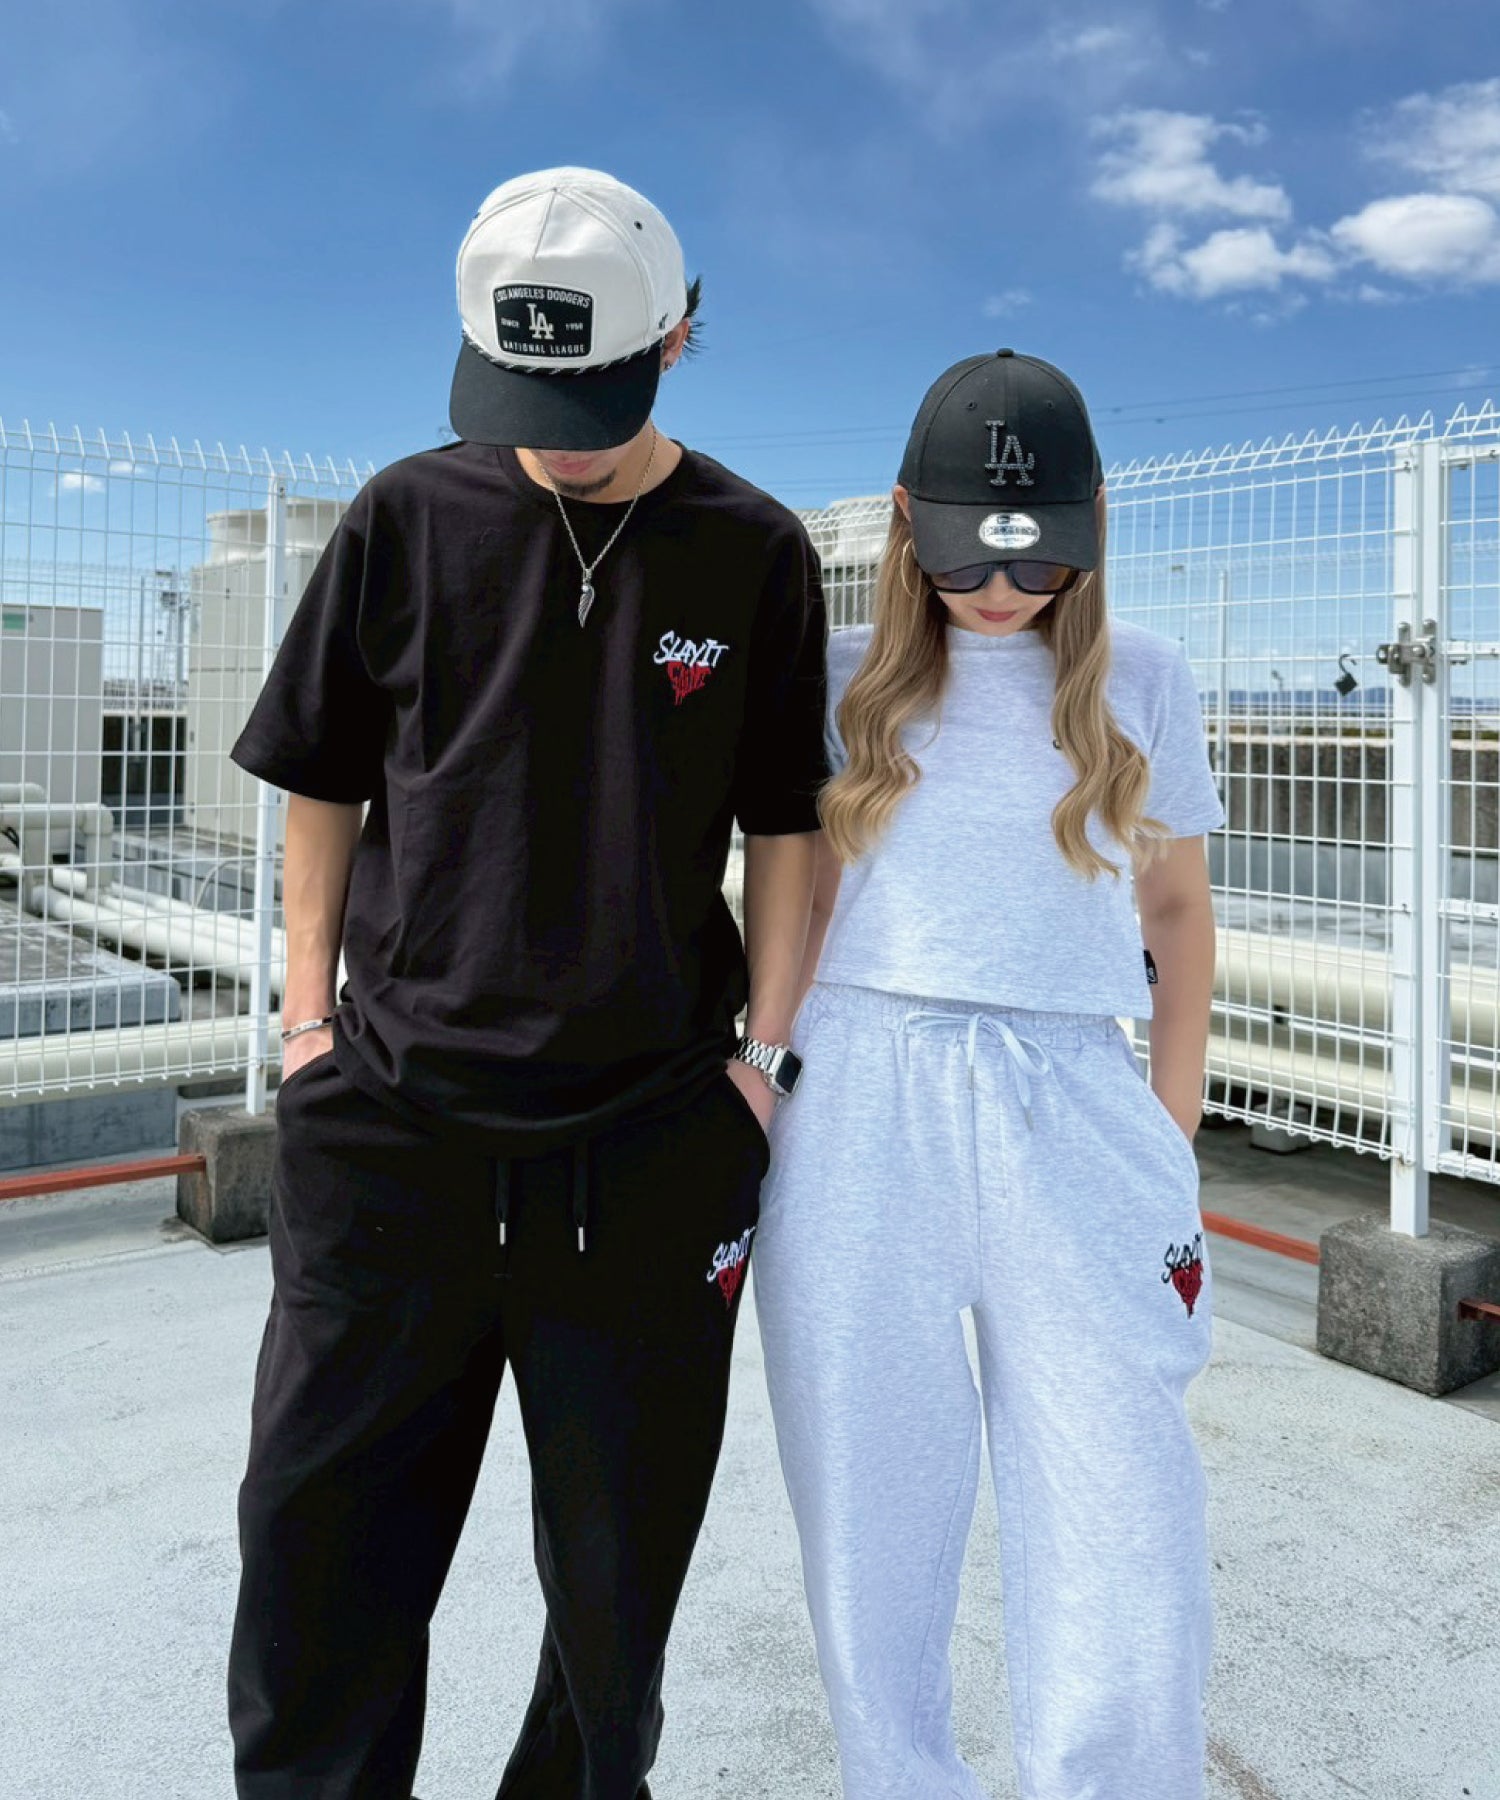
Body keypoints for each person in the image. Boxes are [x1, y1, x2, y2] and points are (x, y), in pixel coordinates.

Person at [226, 166, 827, 1800]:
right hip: (391, 1129)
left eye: (596, 396)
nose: (558, 437)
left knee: (615, 1614)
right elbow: (322, 780)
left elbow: (789, 826)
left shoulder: (755, 552)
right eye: (525, 396)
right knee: (318, 1567)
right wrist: (303, 1029)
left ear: (679, 337)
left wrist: (764, 1066)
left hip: (645, 1144)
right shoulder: (405, 516)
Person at [753, 349, 1224, 1800]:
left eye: (1034, 558)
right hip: (858, 1096)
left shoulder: (1144, 679)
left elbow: (1177, 912)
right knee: (868, 1500)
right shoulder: (838, 679)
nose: (1001, 590)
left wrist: (1171, 1128)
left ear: (1090, 524)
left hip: (1075, 1092)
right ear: (906, 521)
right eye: (964, 558)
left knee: (1123, 1495)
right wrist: (766, 1076)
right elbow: (787, 899)